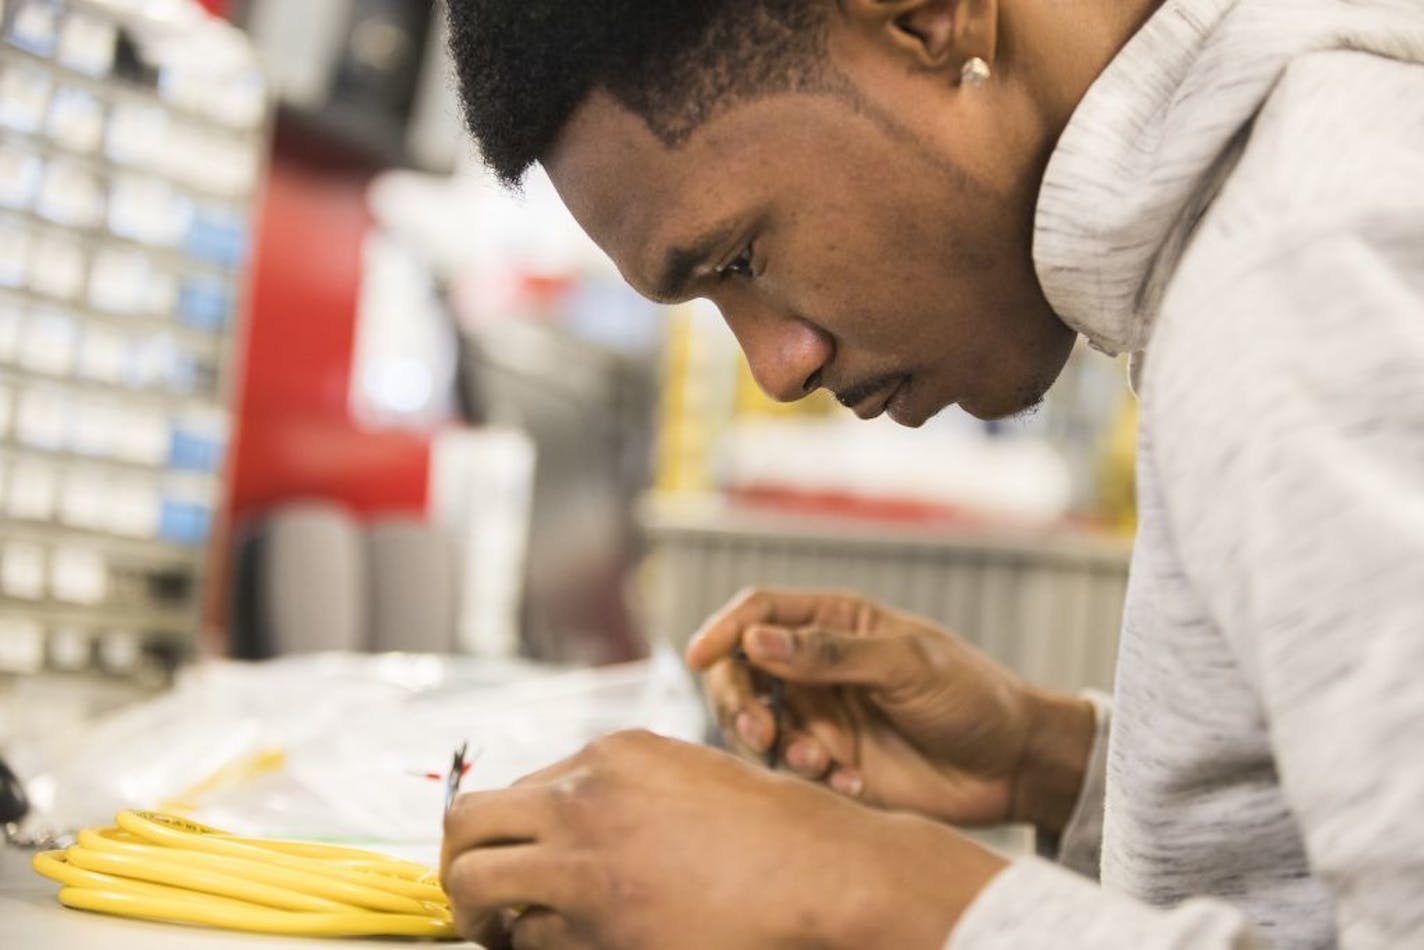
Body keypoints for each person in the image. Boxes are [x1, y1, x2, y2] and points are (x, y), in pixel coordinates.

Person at [437, 0, 1424, 946]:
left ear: (927, 20)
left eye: (741, 259)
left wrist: (862, 895)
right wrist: (1058, 763)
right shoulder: (1287, 200)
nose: (777, 370)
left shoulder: (1303, 263)